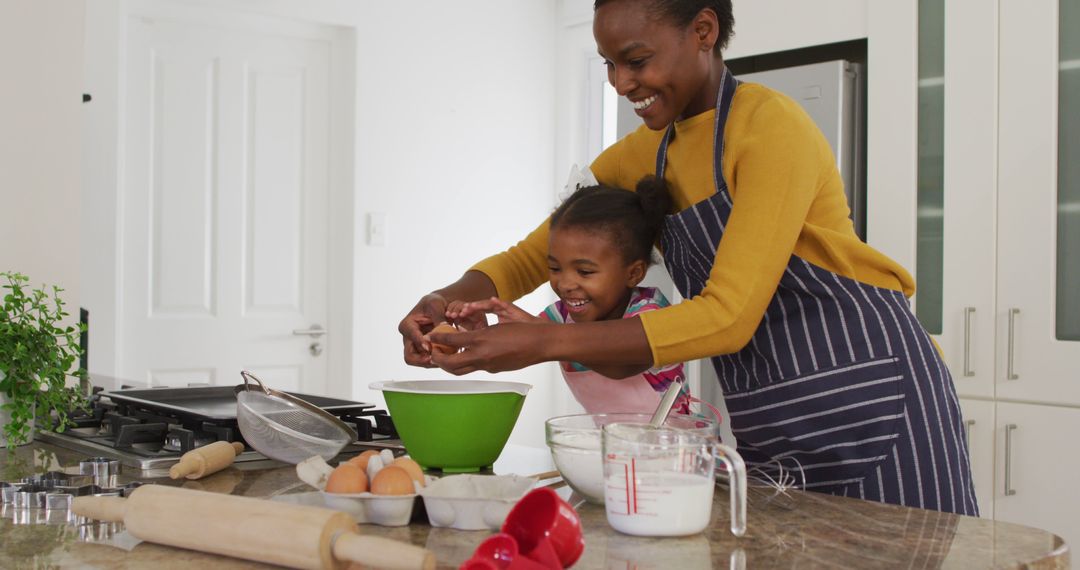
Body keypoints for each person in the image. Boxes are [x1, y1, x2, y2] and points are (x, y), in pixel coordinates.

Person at [398, 0, 978, 516]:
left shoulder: (770, 128)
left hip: (872, 397)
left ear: (703, 30)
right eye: (608, 63)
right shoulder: (640, 155)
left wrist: (546, 342)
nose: (621, 83)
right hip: (766, 410)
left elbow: (728, 315)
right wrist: (447, 300)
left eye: (636, 59)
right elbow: (529, 258)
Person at [445, 178, 693, 416]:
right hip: (615, 451)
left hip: (676, 452)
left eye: (584, 272)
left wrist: (539, 334)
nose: (564, 284)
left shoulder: (650, 313)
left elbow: (621, 364)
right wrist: (475, 334)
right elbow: (523, 343)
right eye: (555, 268)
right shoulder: (561, 316)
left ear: (634, 273)